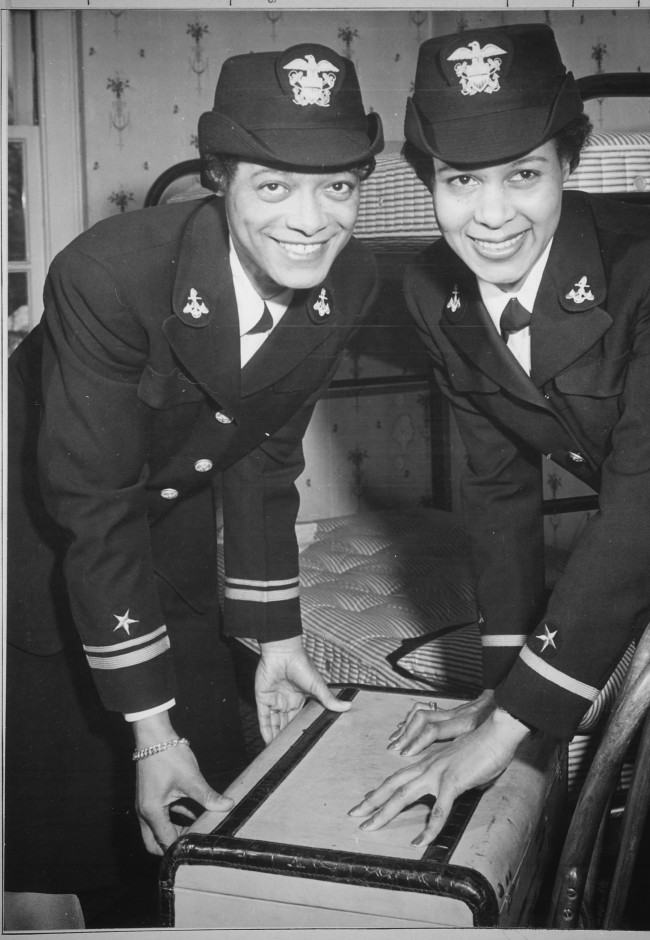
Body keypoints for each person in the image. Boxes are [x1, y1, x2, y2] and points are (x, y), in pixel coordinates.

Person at [348, 24, 650, 932]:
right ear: (430, 184)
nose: (491, 215)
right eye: (460, 181)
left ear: (570, 164)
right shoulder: (430, 293)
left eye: (522, 175)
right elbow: (495, 489)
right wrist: (504, 683)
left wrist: (515, 722)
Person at [5, 43, 383, 930]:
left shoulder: (349, 282)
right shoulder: (107, 273)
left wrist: (275, 635)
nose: (312, 221)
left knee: (204, 788)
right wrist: (150, 730)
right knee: (74, 807)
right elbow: (92, 505)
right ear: (220, 182)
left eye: (339, 187)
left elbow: (265, 452)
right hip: (35, 513)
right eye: (275, 186)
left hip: (170, 499)